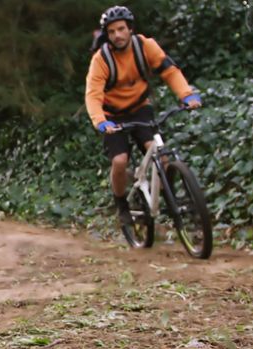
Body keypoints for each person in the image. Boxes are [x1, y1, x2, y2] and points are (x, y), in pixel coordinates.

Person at [85, 6, 201, 225]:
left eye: (121, 29)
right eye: (111, 32)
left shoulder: (146, 46)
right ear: (106, 35)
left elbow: (169, 71)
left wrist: (187, 95)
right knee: (119, 161)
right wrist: (100, 121)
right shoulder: (101, 59)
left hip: (140, 108)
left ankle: (169, 198)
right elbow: (93, 95)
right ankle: (121, 204)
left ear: (130, 29)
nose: (117, 35)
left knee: (162, 155)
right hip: (113, 116)